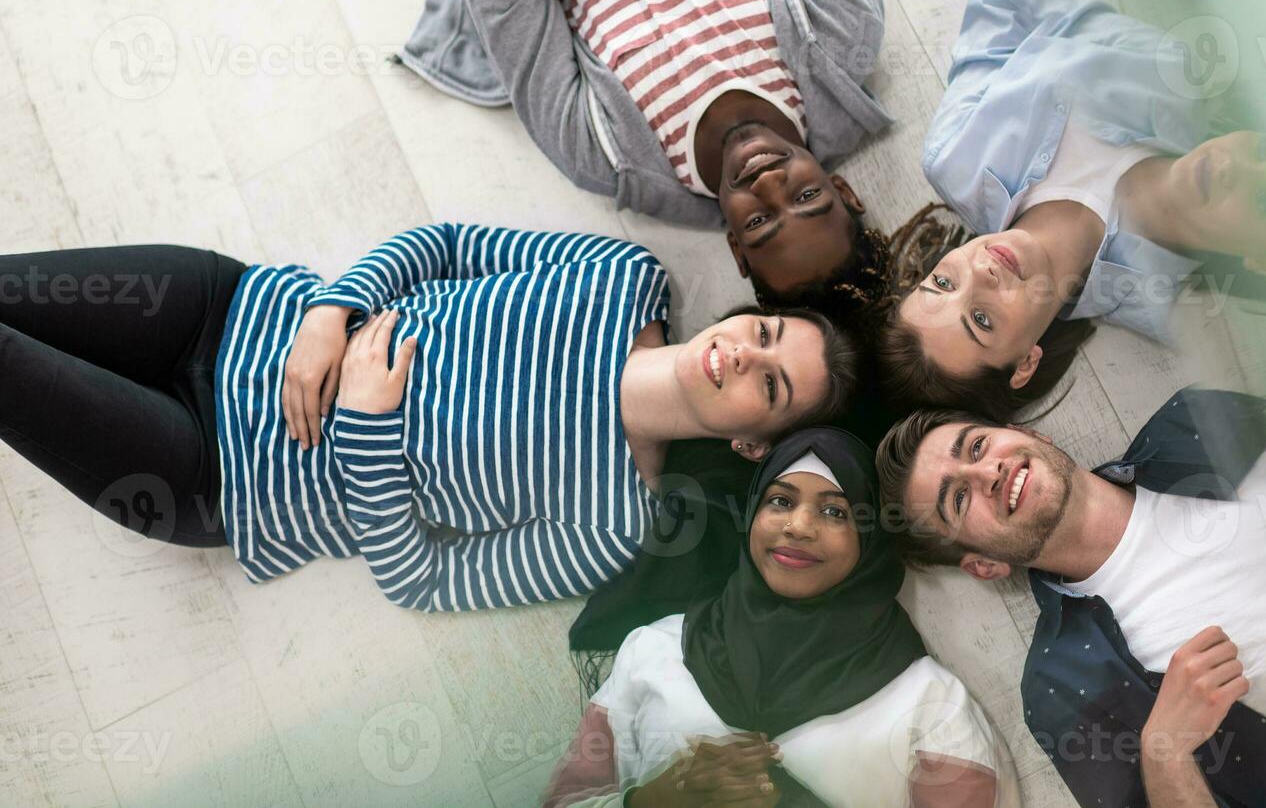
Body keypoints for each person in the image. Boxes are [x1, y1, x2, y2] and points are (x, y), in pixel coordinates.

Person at [0, 225, 858, 611]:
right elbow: (444, 244)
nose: (747, 353)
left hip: (214, 474)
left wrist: (370, 426)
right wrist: (334, 311)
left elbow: (424, 582)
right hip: (220, 307)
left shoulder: (610, 525)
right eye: (768, 330)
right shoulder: (620, 274)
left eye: (772, 386)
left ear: (752, 442)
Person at [874, 291, 1266, 805]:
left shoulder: (1189, 426)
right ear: (984, 564)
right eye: (956, 500)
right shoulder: (1059, 685)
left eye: (976, 446)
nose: (988, 473)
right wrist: (1164, 752)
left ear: (1029, 435)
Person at [879, 0, 1266, 420]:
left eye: (942, 283)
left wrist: (1103, 26)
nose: (980, 273)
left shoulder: (959, 153)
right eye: (980, 318)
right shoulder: (1159, 294)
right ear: (1025, 363)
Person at [401, 0, 892, 319]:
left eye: (761, 222)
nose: (767, 183)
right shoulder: (844, 36)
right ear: (843, 190)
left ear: (736, 250)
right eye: (807, 196)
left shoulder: (604, 156)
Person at [542, 428, 1018, 808]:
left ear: (871, 542)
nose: (798, 526)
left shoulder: (932, 709)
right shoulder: (653, 650)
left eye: (834, 512)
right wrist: (647, 802)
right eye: (781, 501)